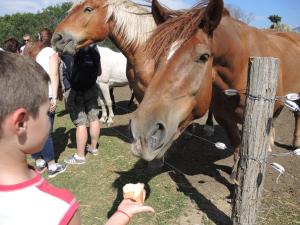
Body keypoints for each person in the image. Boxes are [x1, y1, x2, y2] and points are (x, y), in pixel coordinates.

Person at [0, 51, 154, 225]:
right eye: (46, 111)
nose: (49, 116)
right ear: (21, 123)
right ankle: (92, 147)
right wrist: (122, 216)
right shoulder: (59, 210)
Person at [24, 28, 66, 177]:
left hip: (31, 95)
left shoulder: (29, 51)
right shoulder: (50, 52)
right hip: (45, 95)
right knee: (46, 130)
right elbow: (54, 74)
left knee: (34, 127)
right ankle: (52, 165)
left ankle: (39, 159)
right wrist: (54, 97)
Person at [61, 45, 101, 165]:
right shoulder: (94, 49)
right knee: (94, 118)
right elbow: (99, 72)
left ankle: (80, 156)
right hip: (91, 87)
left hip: (75, 91)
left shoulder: (67, 49)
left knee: (81, 123)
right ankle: (93, 148)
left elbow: (63, 73)